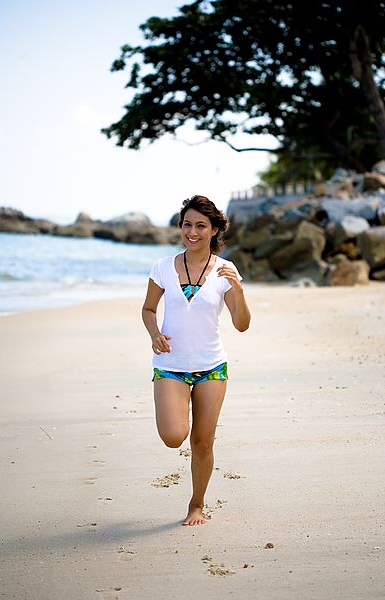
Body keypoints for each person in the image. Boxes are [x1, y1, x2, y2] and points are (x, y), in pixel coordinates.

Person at [141, 195, 251, 526]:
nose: (193, 232)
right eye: (187, 224)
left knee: (202, 442)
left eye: (201, 226)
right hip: (171, 366)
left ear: (214, 229)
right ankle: (178, 409)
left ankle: (196, 504)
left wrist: (239, 291)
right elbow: (148, 309)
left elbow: (242, 324)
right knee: (174, 436)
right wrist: (154, 333)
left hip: (212, 367)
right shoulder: (162, 267)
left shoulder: (225, 271)